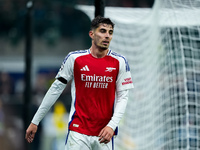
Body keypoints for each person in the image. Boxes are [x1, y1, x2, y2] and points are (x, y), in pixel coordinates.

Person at [25, 16, 134, 150]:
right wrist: (35, 121)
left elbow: (123, 97)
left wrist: (112, 125)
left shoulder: (120, 62)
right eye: (103, 31)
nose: (107, 36)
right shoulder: (74, 59)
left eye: (110, 32)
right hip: (78, 132)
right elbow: (55, 90)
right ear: (91, 34)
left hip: (105, 134)